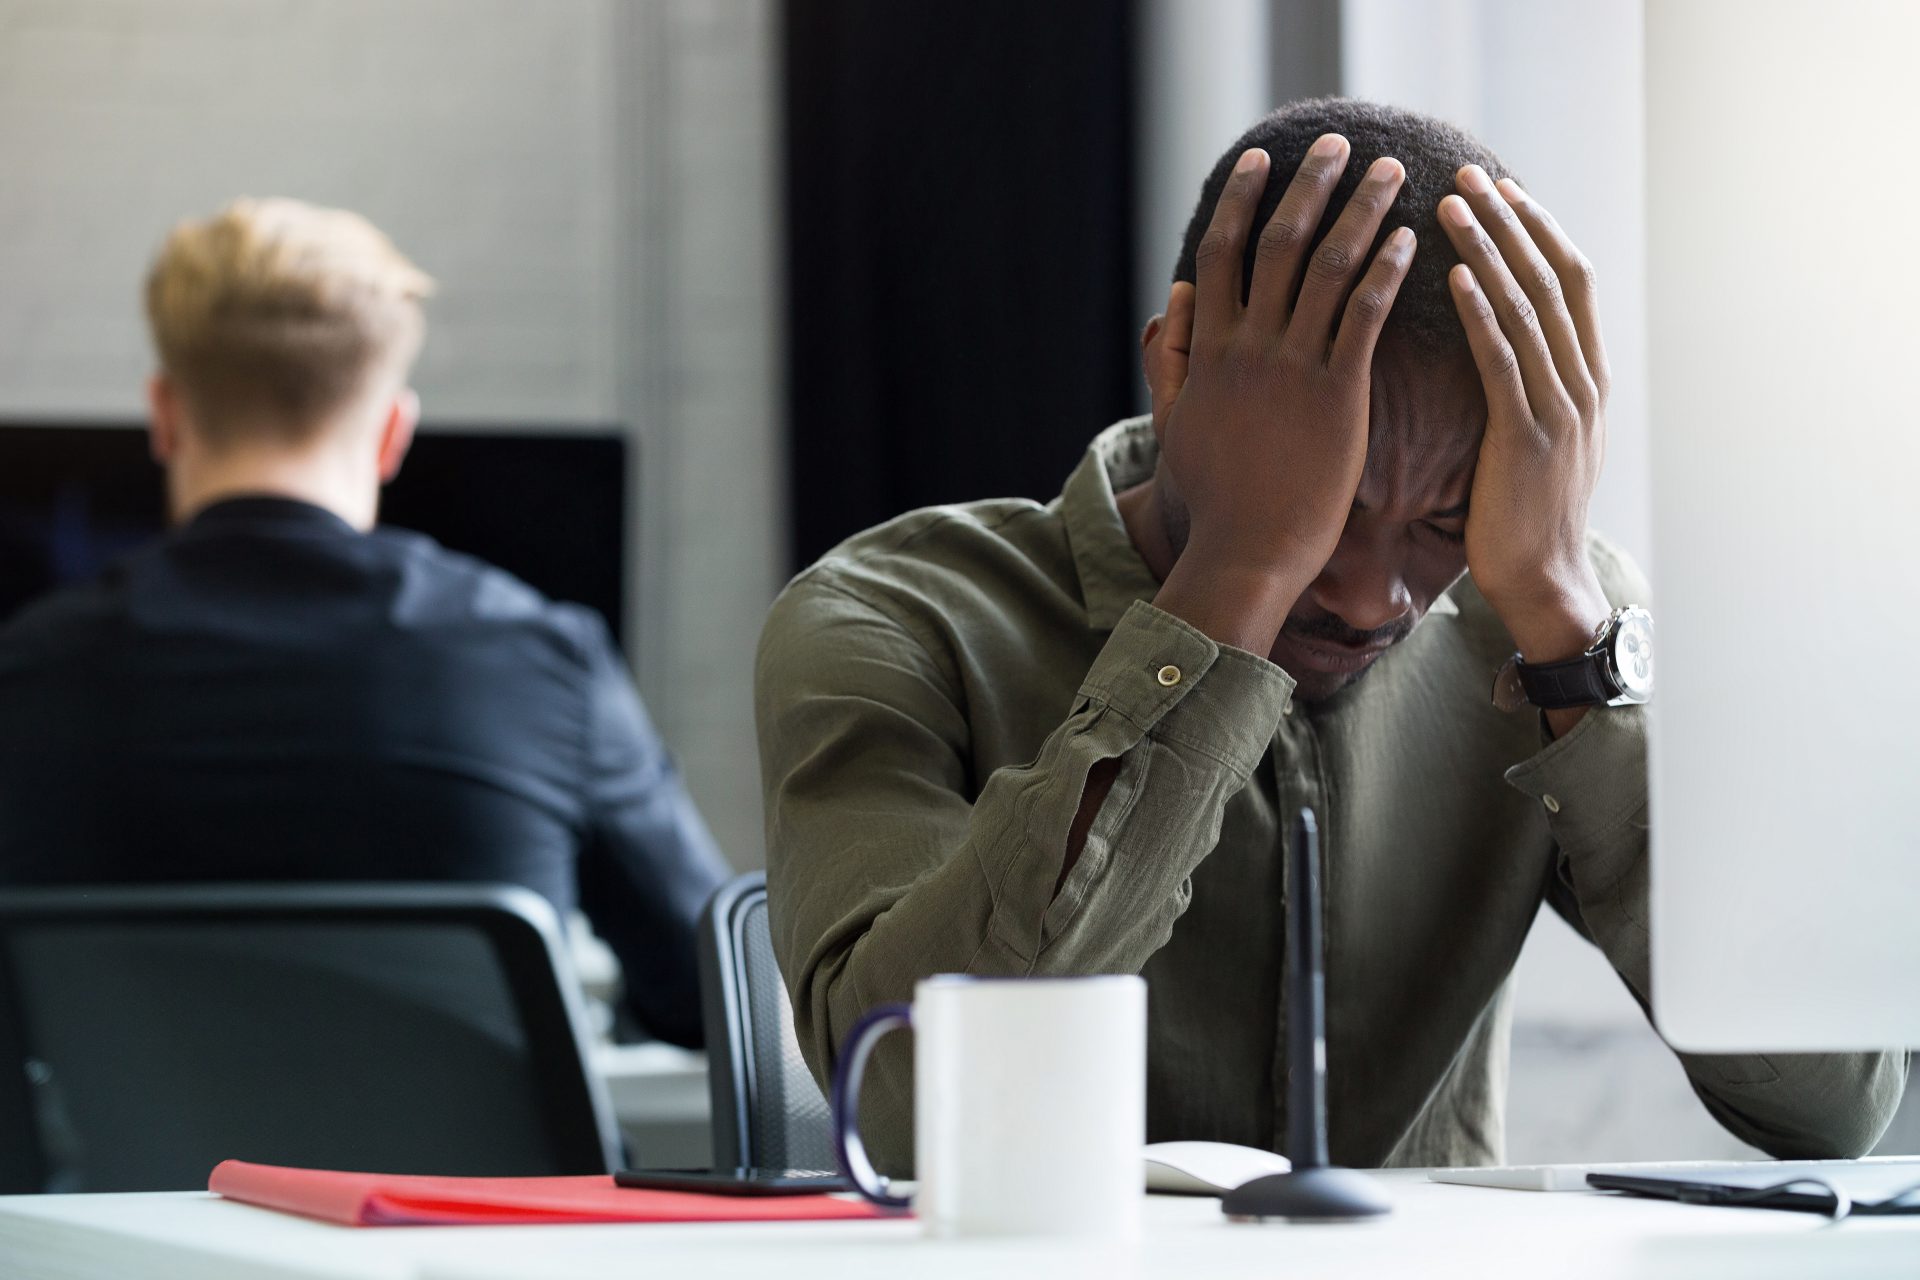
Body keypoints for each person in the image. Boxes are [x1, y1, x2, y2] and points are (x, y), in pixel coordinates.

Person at [755, 99, 1909, 1171]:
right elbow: (906, 1112)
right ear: (1177, 370)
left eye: (1448, 519)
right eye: (1330, 501)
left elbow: (1833, 1104)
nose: (1370, 598)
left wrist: (1562, 621)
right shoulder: (895, 620)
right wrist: (1238, 579)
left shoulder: (1549, 620)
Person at [0, 198, 728, 1047]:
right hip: (452, 1186)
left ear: (164, 414)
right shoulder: (540, 657)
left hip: (128, 1184)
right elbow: (710, 995)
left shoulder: (25, 673)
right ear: (393, 433)